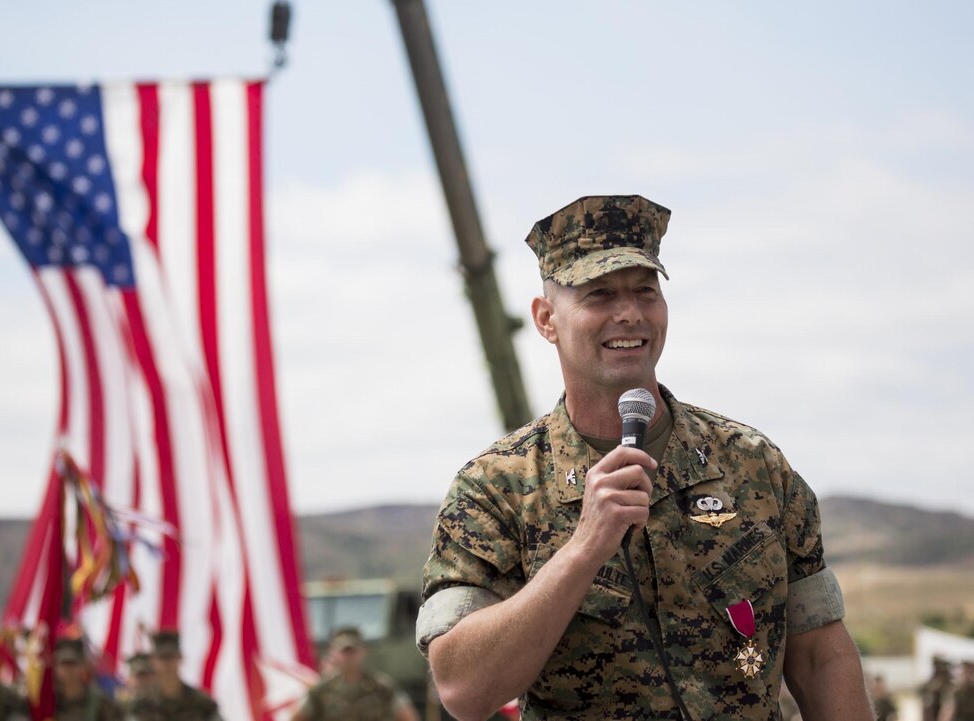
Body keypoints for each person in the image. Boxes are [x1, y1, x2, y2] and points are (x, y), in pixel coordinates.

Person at [416, 195, 874, 720]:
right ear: (546, 319)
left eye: (645, 292)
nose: (629, 312)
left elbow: (820, 655)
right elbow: (462, 688)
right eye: (600, 295)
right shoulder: (496, 487)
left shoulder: (753, 464)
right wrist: (584, 549)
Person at [291, 627, 419, 721]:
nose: (349, 657)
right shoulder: (320, 691)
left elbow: (408, 716)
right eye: (344, 652)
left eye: (353, 651)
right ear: (333, 653)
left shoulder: (382, 688)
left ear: (363, 651)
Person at [125, 630, 221, 721]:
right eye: (162, 658)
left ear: (180, 659)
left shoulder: (202, 704)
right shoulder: (141, 706)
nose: (167, 664)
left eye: (171, 657)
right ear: (153, 661)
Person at [53, 637, 124, 721]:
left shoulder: (99, 703)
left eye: (73, 664)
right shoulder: (51, 704)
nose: (68, 670)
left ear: (83, 666)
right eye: (64, 664)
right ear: (56, 668)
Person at [924, 657, 955, 721]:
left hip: (944, 702)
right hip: (935, 704)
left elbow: (950, 686)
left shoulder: (946, 675)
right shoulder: (934, 676)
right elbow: (926, 687)